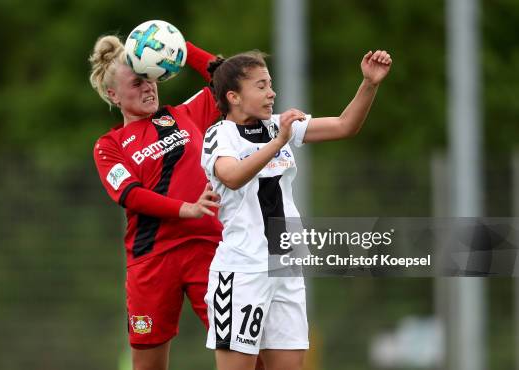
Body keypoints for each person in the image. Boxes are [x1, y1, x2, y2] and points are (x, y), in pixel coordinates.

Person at [201, 49, 392, 370]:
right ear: (233, 96)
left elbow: (345, 126)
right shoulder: (220, 135)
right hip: (243, 271)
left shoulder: (278, 126)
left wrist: (369, 84)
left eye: (270, 84)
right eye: (261, 86)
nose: (271, 92)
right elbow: (232, 177)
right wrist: (278, 143)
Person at [89, 33, 223, 370]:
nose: (148, 87)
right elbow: (130, 195)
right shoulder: (109, 145)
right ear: (112, 94)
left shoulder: (184, 115)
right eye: (136, 82)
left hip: (207, 248)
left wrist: (179, 44)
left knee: (244, 350)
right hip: (152, 260)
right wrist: (184, 208)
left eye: (150, 78)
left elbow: (230, 78)